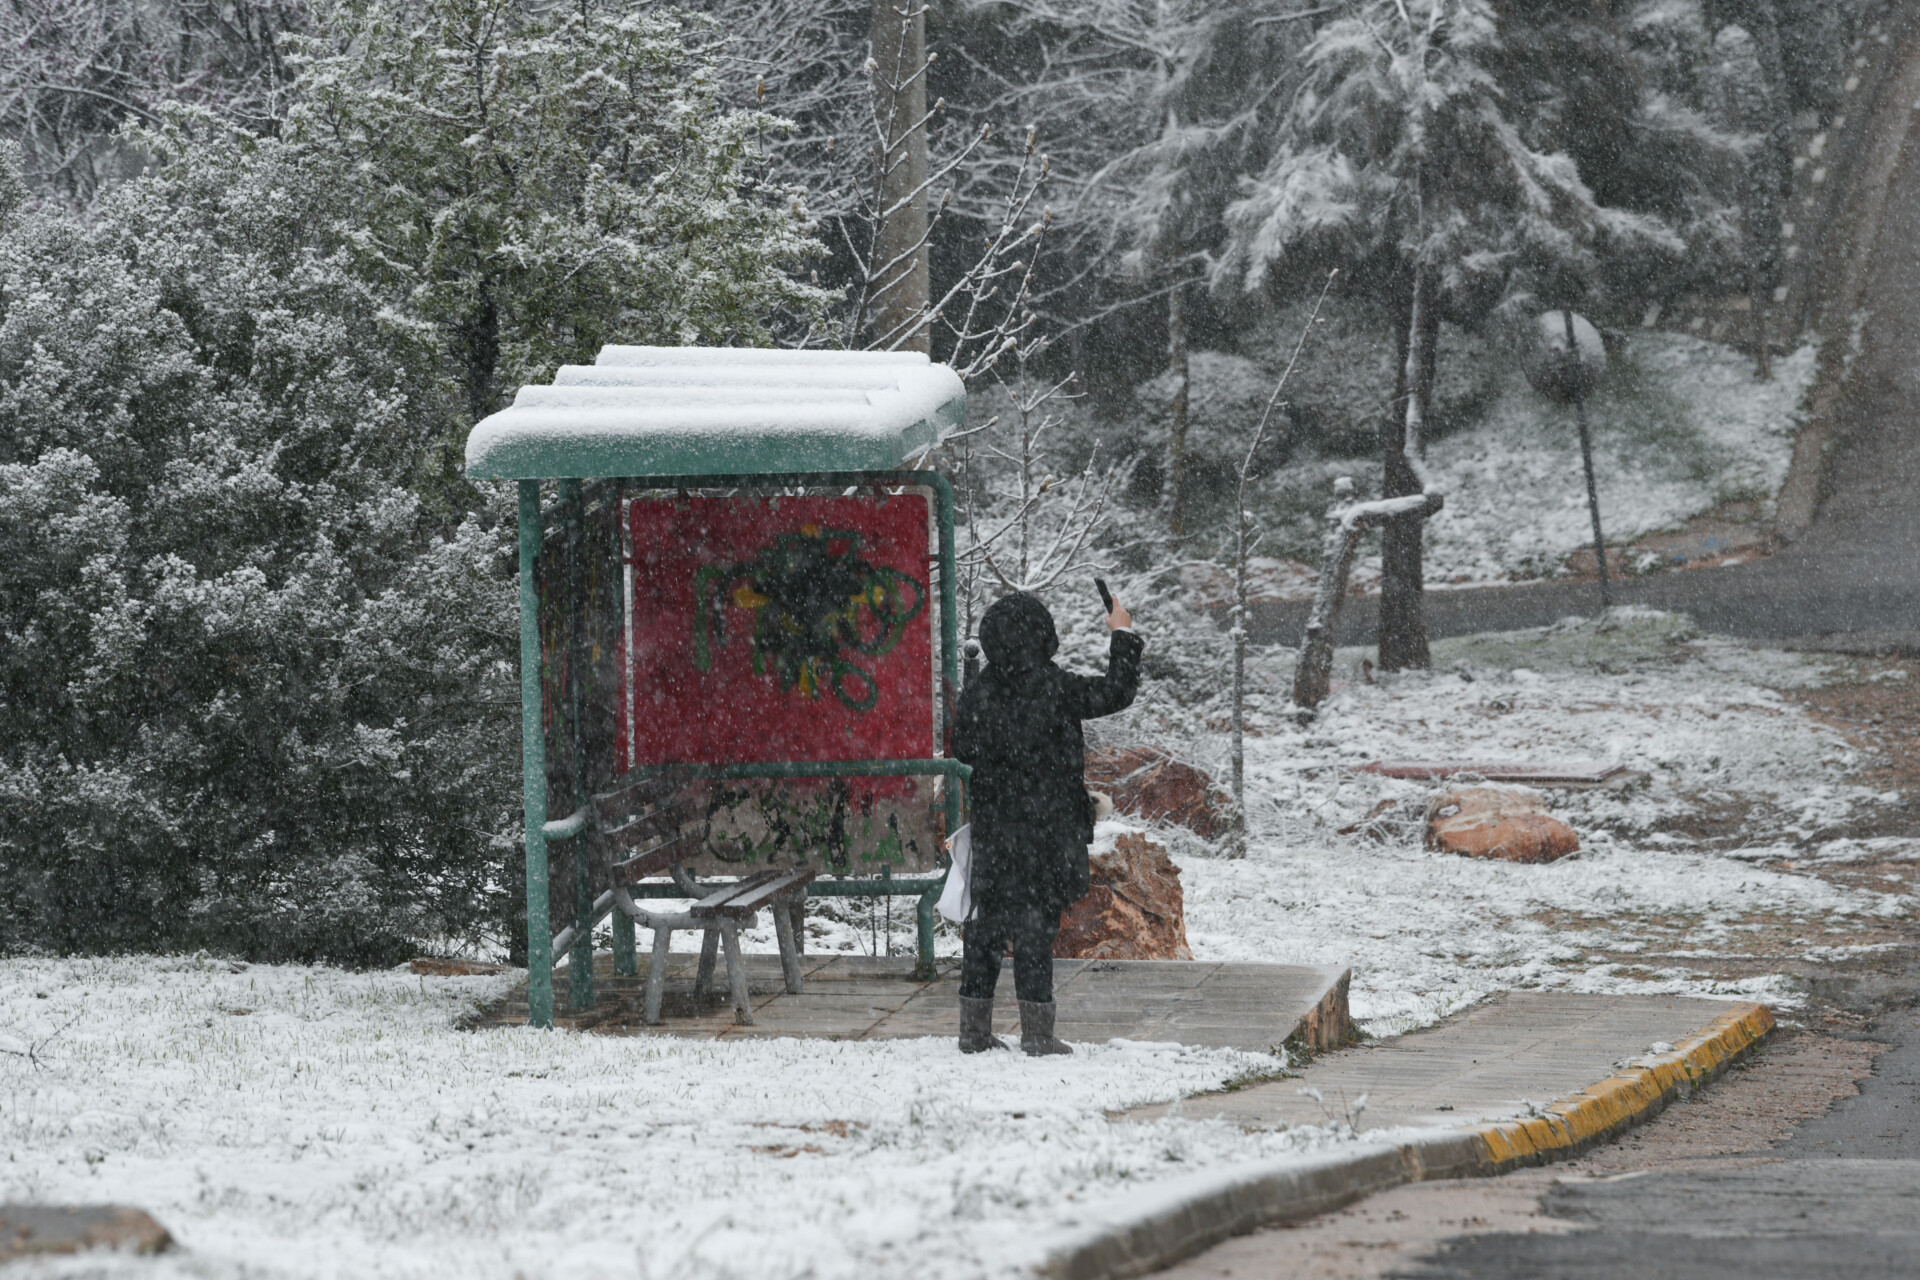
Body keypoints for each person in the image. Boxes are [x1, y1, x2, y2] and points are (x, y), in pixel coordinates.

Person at [950, 590, 1144, 1055]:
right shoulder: (1058, 689)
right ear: (1044, 638)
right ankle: (1038, 1034)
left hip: (997, 829)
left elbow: (963, 751)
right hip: (1048, 830)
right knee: (1037, 929)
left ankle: (973, 1032)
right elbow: (1117, 691)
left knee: (987, 928)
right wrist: (1121, 632)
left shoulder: (979, 693)